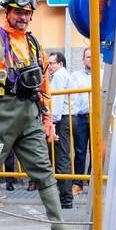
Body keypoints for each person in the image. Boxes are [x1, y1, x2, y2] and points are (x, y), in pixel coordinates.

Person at [0, 0, 78, 230]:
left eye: (27, 12)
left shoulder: (35, 43)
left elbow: (44, 84)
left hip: (30, 117)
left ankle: (58, 223)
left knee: (44, 170)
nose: (23, 17)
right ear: (7, 11)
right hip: (0, 116)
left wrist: (47, 119)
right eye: (18, 11)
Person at [47, 51, 73, 209]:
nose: (49, 66)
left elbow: (56, 101)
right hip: (64, 119)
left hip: (61, 121)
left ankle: (66, 199)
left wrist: (53, 125)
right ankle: (65, 196)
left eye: (52, 63)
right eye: (48, 63)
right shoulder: (63, 75)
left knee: (61, 158)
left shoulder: (58, 76)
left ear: (60, 64)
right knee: (61, 157)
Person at [69, 48, 92, 195]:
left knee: (98, 153)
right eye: (88, 56)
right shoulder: (75, 76)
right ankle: (78, 183)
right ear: (83, 59)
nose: (90, 59)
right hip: (82, 118)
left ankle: (93, 181)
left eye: (93, 56)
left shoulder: (105, 74)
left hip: (99, 118)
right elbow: (72, 98)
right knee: (80, 152)